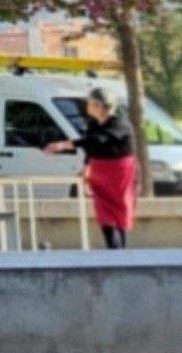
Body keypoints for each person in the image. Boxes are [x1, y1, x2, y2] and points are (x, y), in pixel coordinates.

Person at [50, 90, 137, 250]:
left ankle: (120, 252)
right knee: (103, 213)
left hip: (118, 173)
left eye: (89, 102)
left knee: (119, 212)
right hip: (99, 172)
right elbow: (91, 148)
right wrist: (85, 168)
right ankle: (113, 250)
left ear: (98, 105)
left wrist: (64, 145)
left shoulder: (119, 123)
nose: (87, 106)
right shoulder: (93, 124)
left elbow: (99, 140)